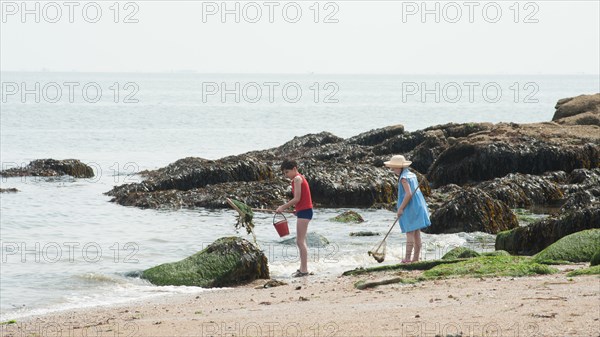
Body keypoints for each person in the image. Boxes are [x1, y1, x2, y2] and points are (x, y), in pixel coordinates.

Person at [384, 155, 431, 263]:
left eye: (394, 167)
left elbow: (408, 194)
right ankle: (415, 258)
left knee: (410, 233)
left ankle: (407, 258)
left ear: (400, 168)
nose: (393, 170)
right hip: (419, 205)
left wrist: (401, 208)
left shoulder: (403, 178)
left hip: (410, 207)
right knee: (417, 233)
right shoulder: (412, 175)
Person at [276, 159, 313, 277]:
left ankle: (304, 270)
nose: (286, 175)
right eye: (284, 173)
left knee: (300, 241)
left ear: (294, 169)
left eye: (287, 172)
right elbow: (302, 200)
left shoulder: (297, 179)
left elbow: (297, 198)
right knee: (301, 241)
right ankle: (303, 269)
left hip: (305, 212)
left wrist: (282, 207)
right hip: (304, 211)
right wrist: (297, 210)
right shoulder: (298, 178)